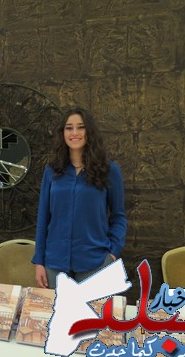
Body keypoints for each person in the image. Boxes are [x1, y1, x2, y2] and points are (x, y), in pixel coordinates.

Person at [32, 107, 127, 288]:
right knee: (57, 307)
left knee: (92, 308)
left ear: (89, 131)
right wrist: (39, 261)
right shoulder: (51, 171)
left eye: (80, 127)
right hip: (55, 263)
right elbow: (43, 218)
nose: (74, 133)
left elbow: (118, 216)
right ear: (63, 133)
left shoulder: (109, 170)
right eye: (69, 128)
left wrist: (113, 253)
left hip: (95, 262)